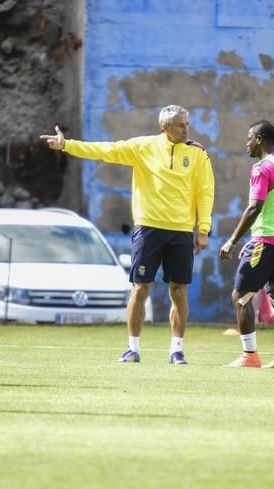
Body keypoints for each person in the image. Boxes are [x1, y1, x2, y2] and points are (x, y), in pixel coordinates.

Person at [40, 105, 215, 365]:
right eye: (181, 124)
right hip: (148, 228)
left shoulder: (198, 153)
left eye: (187, 124)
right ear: (164, 127)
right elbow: (105, 150)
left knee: (179, 290)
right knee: (140, 287)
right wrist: (67, 145)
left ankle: (176, 350)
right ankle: (132, 348)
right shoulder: (143, 147)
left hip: (180, 231)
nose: (186, 128)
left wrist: (203, 229)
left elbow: (205, 190)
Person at [219, 120, 274, 368]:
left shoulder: (261, 168)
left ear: (260, 139)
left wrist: (233, 240)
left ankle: (250, 356)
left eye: (249, 138)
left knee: (240, 296)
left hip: (267, 240)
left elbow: (255, 207)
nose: (247, 143)